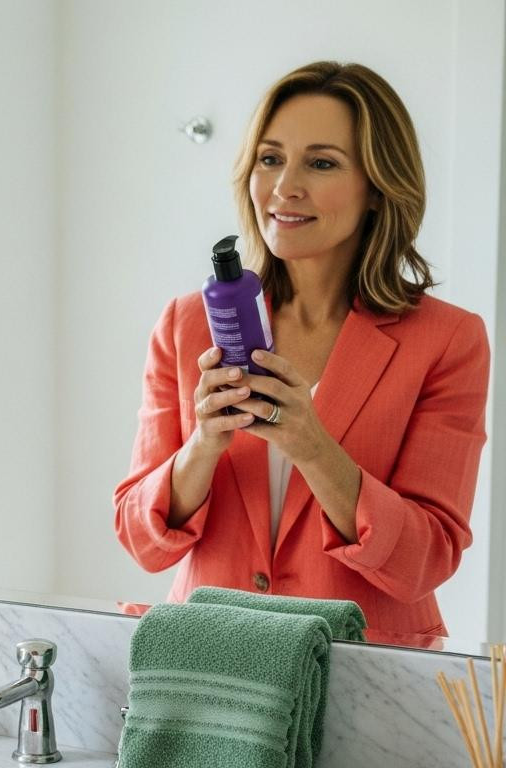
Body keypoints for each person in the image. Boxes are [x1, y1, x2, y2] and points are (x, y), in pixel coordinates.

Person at [114, 61, 489, 637]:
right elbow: (141, 540)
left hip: (366, 675)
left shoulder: (446, 341)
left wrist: (313, 447)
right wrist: (203, 445)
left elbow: (426, 559)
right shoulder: (187, 323)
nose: (284, 186)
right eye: (270, 158)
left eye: (321, 162)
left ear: (376, 187)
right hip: (211, 669)